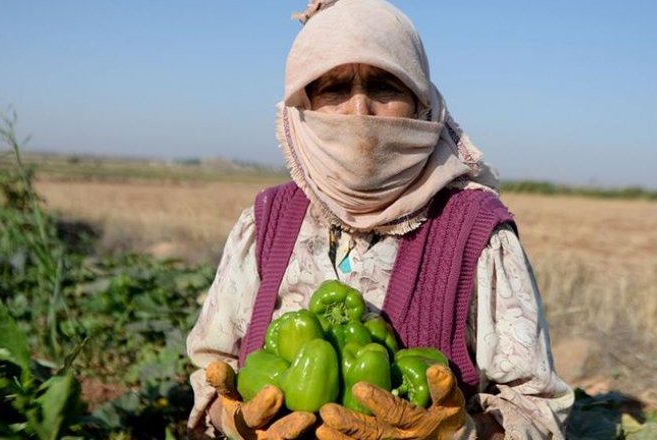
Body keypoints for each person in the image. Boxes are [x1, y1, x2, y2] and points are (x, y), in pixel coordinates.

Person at [186, 0, 573, 438]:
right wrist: (233, 419)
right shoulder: (265, 223)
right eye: (333, 89)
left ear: (422, 103)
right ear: (303, 106)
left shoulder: (477, 234)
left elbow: (538, 415)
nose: (359, 110)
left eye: (384, 86)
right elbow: (212, 376)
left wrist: (457, 433)